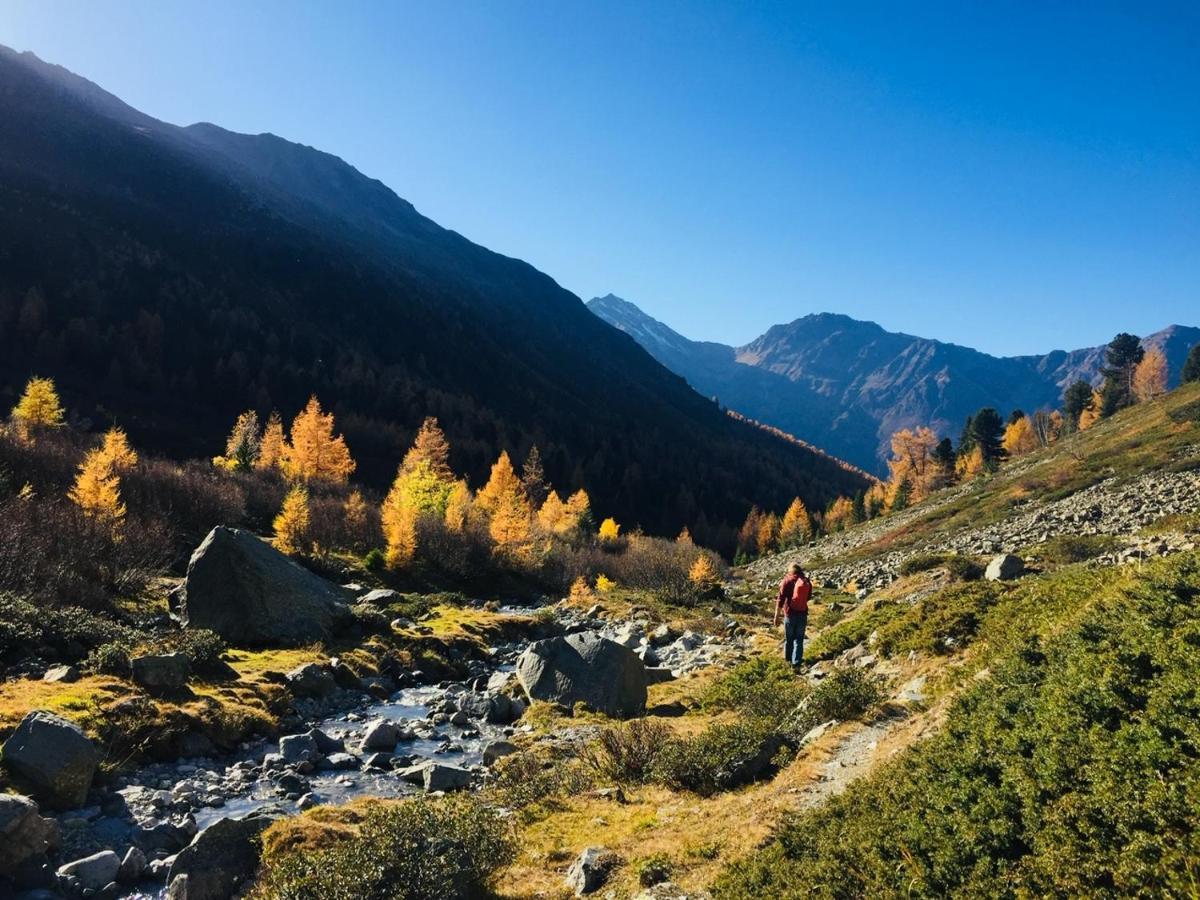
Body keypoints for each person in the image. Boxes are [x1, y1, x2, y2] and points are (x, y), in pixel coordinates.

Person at [773, 562, 812, 669]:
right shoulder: (806, 581)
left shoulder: (787, 580)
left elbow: (780, 599)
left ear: (790, 571)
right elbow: (808, 597)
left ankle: (788, 662)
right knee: (799, 640)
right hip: (802, 614)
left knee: (789, 639)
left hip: (790, 614)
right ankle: (797, 663)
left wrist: (776, 615)